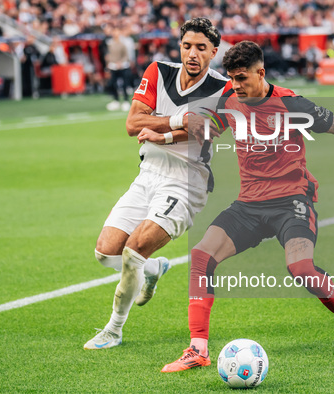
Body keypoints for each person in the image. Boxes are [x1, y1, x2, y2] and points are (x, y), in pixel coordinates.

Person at [161, 41, 334, 372]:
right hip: (249, 204)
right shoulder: (230, 100)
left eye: (242, 78)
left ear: (260, 72)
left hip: (291, 200)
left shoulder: (292, 104)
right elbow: (209, 130)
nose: (236, 86)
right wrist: (164, 136)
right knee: (201, 256)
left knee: (301, 270)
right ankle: (198, 349)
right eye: (232, 78)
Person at [83, 18, 232, 350]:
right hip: (147, 175)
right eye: (187, 46)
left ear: (214, 52)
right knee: (104, 252)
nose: (192, 54)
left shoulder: (224, 89)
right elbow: (133, 123)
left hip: (186, 182)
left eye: (201, 48)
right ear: (180, 46)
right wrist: (178, 120)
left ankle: (113, 330)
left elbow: (206, 130)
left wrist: (162, 134)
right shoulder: (158, 71)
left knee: (133, 251)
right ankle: (153, 270)